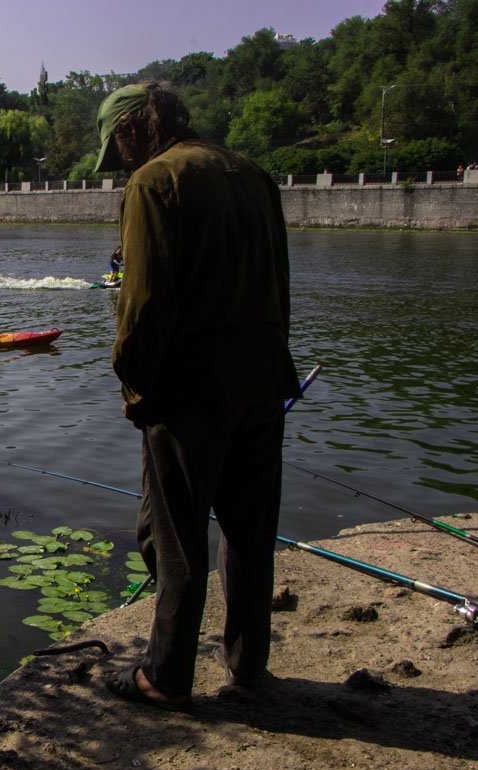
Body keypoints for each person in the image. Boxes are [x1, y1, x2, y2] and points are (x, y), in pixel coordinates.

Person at [96, 83, 301, 710]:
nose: (120, 161)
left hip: (190, 391)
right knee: (249, 532)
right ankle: (248, 667)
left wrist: (134, 384)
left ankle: (165, 675)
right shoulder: (254, 176)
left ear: (132, 128)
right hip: (263, 381)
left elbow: (144, 304)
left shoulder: (155, 183)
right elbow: (279, 287)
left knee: (176, 540)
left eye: (117, 146)